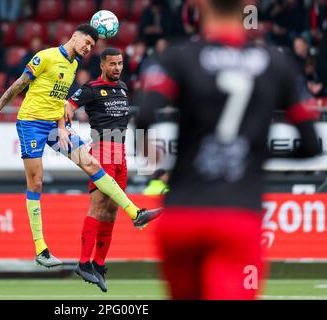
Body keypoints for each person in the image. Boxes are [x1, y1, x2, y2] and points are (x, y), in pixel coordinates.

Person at [136, 0, 322, 299]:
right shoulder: (276, 61)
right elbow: (311, 144)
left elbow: (144, 116)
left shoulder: (178, 57)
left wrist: (154, 155)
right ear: (249, 6)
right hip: (237, 214)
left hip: (182, 214)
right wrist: (256, 153)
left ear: (199, 5)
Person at [0, 24, 160, 268]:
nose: (87, 48)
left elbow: (58, 100)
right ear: (74, 37)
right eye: (86, 42)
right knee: (36, 182)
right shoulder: (45, 57)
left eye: (92, 47)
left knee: (91, 163)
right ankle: (41, 248)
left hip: (54, 126)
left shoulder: (74, 66)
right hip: (31, 123)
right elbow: (19, 84)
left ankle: (135, 213)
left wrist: (62, 127)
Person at [64, 47, 162, 292]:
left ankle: (98, 264)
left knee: (111, 213)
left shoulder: (123, 87)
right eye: (112, 64)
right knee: (97, 207)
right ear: (103, 66)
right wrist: (65, 129)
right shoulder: (91, 88)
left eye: (120, 63)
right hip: (102, 150)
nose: (117, 68)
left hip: (121, 152)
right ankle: (83, 262)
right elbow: (67, 107)